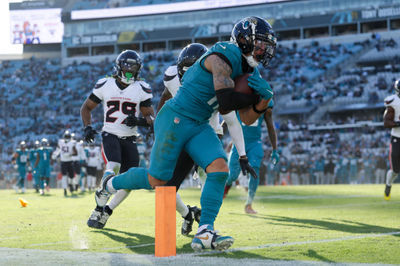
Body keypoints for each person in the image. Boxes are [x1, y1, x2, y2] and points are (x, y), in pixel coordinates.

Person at [95, 16, 276, 251]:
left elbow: (247, 118)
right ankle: (110, 183)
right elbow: (225, 101)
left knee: (219, 169)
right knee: (157, 180)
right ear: (243, 40)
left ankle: (204, 232)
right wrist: (255, 97)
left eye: (266, 46)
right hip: (176, 118)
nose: (263, 50)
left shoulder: (250, 70)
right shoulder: (224, 53)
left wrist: (264, 102)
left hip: (199, 123)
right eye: (260, 44)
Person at [158, 43, 254, 235]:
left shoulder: (219, 81)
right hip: (181, 132)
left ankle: (206, 227)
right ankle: (185, 216)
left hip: (209, 132)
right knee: (165, 185)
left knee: (209, 175)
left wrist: (242, 155)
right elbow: (166, 95)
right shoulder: (171, 77)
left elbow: (233, 122)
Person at [81, 50, 155, 229]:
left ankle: (107, 210)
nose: (129, 69)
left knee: (130, 181)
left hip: (130, 139)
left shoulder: (142, 88)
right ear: (119, 66)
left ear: (138, 69)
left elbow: (152, 119)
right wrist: (87, 127)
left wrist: (139, 120)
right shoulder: (105, 84)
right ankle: (98, 209)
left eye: (133, 66)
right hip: (110, 134)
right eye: (126, 65)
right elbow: (86, 108)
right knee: (112, 165)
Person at [223, 99, 279, 214]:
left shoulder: (265, 102)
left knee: (255, 170)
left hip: (254, 142)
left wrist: (274, 149)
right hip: (238, 142)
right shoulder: (240, 96)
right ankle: (225, 189)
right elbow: (227, 120)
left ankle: (249, 204)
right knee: (232, 175)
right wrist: (217, 136)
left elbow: (270, 125)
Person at [383, 79, 400, 200]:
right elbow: (386, 122)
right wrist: (397, 123)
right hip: (397, 138)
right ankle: (388, 185)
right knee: (395, 170)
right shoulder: (393, 101)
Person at [51, 130, 78, 196]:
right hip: (64, 162)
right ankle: (65, 189)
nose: (67, 137)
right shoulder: (61, 142)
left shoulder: (72, 143)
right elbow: (58, 150)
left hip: (69, 161)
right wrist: (54, 155)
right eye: (66, 136)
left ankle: (71, 185)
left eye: (68, 136)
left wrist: (70, 154)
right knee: (64, 176)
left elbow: (76, 153)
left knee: (71, 176)